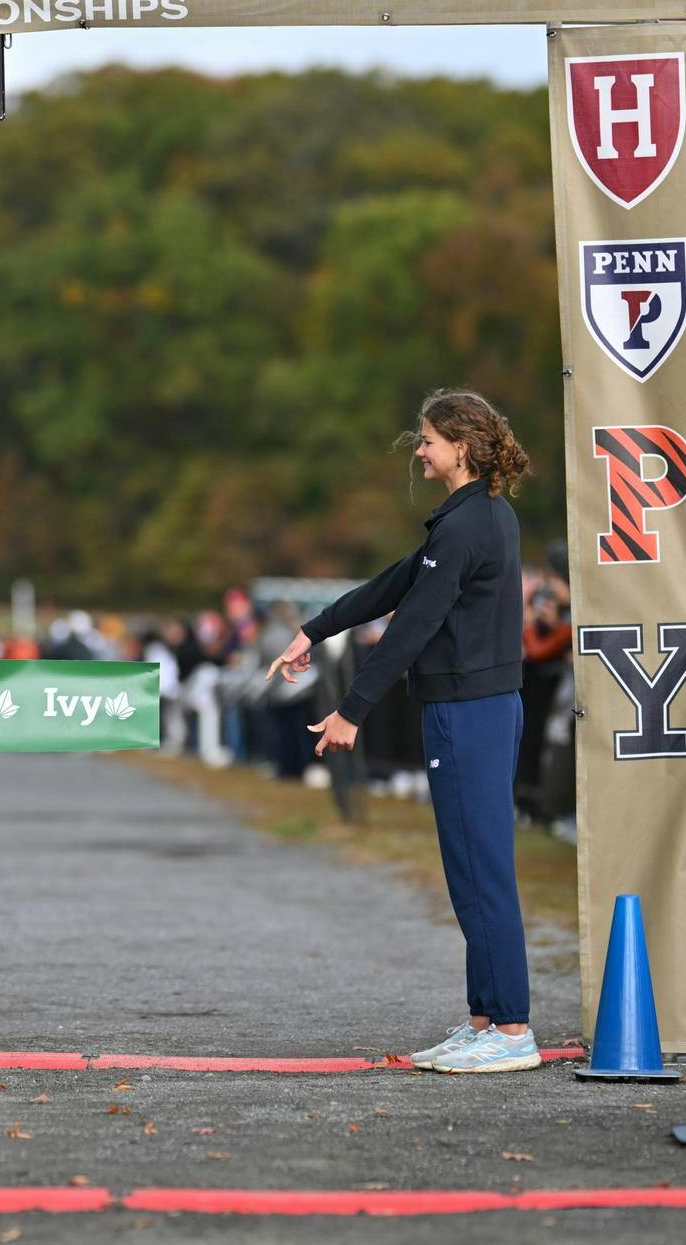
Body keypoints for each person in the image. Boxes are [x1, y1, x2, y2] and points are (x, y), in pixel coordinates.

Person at [266, 390, 537, 1075]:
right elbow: (395, 583)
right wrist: (315, 628)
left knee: (483, 871)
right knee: (468, 869)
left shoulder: (471, 525)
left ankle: (511, 1028)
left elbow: (412, 624)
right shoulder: (472, 518)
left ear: (462, 447)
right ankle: (484, 1019)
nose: (419, 451)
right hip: (473, 707)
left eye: (427, 441)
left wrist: (352, 708)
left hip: (471, 710)